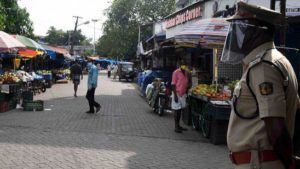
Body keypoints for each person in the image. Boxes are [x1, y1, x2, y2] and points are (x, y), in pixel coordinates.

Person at [221, 1, 299, 169]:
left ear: (256, 31)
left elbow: (276, 128)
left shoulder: (263, 67)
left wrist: (289, 164)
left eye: (241, 28)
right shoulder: (276, 60)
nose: (236, 35)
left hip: (260, 163)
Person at [171, 60, 189, 133]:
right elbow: (173, 84)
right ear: (180, 65)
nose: (184, 66)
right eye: (182, 64)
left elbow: (186, 82)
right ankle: (176, 127)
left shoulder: (186, 73)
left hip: (183, 94)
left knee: (180, 110)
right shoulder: (175, 72)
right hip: (177, 93)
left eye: (185, 64)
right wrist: (175, 95)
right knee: (176, 110)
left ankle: (178, 125)